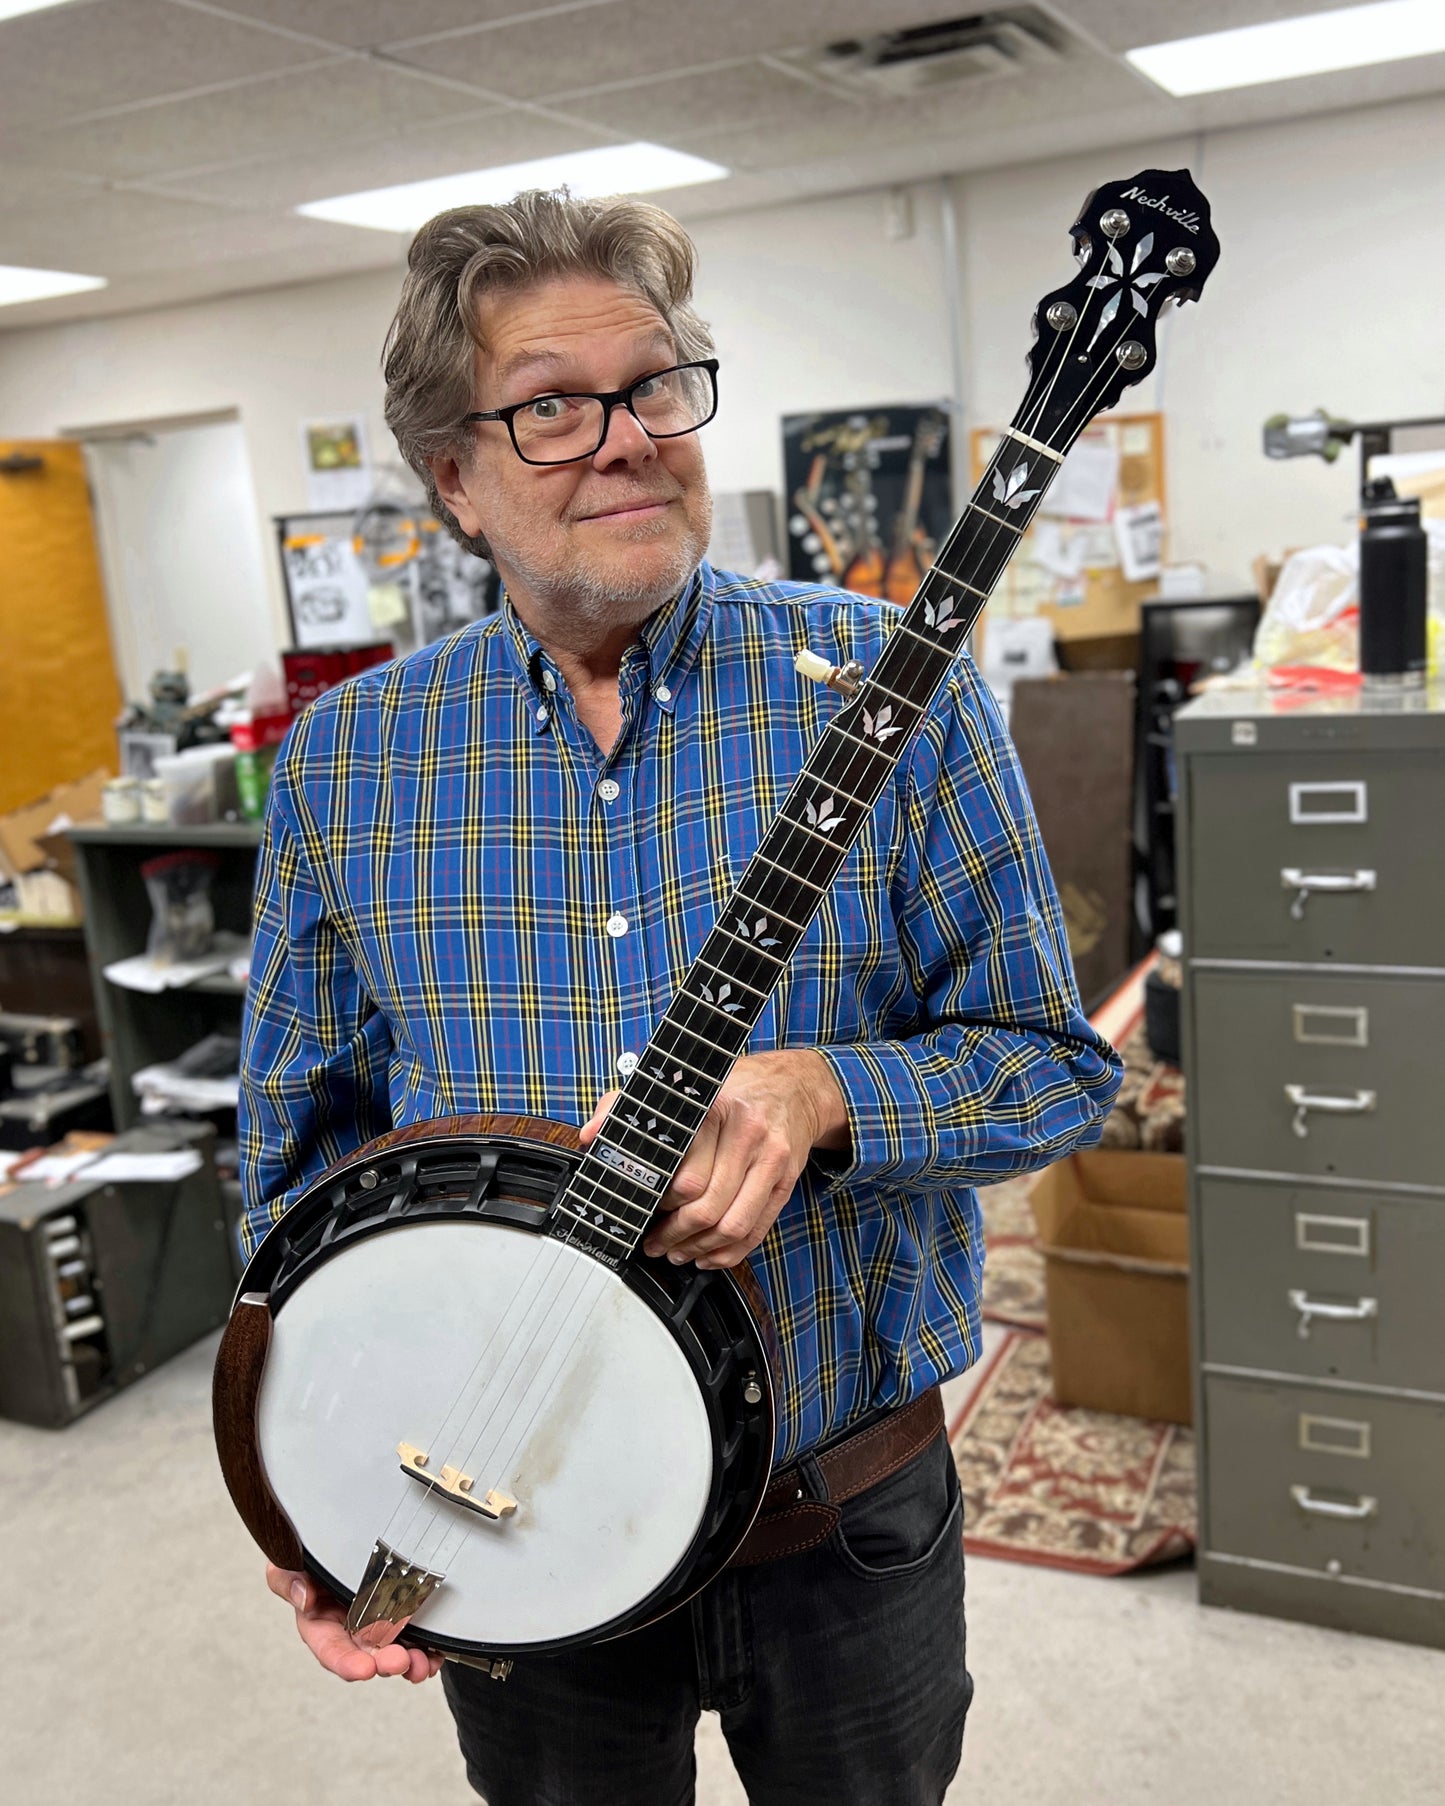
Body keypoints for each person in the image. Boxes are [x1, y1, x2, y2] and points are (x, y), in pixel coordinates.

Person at [239, 187, 1122, 1806]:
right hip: (499, 1515)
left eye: (653, 385)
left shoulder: (890, 690)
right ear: (453, 478)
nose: (629, 436)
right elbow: (295, 1168)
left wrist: (830, 1092)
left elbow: (1059, 1070)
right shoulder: (346, 767)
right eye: (551, 406)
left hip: (843, 1521)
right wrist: (302, 1487)